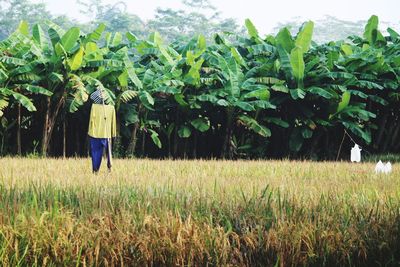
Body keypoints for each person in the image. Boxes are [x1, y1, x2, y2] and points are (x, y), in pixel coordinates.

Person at [88, 88, 116, 173]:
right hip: (106, 133)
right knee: (108, 152)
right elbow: (113, 123)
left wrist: (89, 132)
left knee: (96, 153)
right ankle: (106, 168)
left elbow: (91, 121)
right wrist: (113, 134)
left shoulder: (94, 107)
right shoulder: (111, 108)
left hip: (95, 133)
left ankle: (96, 170)